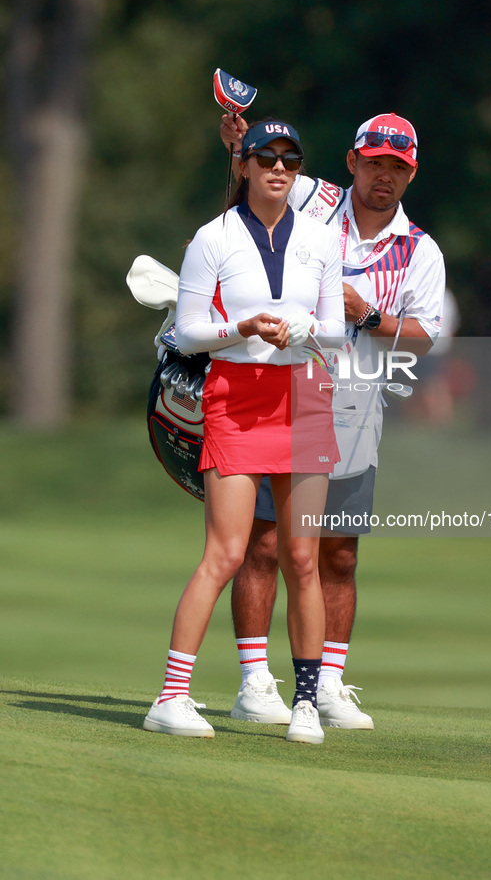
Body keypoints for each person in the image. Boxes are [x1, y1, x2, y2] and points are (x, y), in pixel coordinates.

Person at [220, 112, 446, 729]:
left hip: (354, 404)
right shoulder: (313, 198)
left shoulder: (420, 250)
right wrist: (240, 144)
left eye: (397, 168)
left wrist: (368, 314)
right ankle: (255, 680)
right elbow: (259, 172)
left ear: (410, 175)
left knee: (337, 553)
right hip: (278, 387)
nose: (384, 177)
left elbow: (426, 338)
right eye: (374, 163)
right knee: (264, 541)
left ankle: (328, 683)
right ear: (352, 162)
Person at [143, 120, 345, 745]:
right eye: (266, 157)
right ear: (245, 166)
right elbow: (187, 331)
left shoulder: (320, 237)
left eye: (290, 158)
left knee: (304, 558)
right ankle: (171, 697)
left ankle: (306, 702)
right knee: (227, 553)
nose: (279, 168)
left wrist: (300, 330)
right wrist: (245, 327)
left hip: (306, 395)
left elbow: (337, 330)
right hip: (236, 395)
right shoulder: (213, 238)